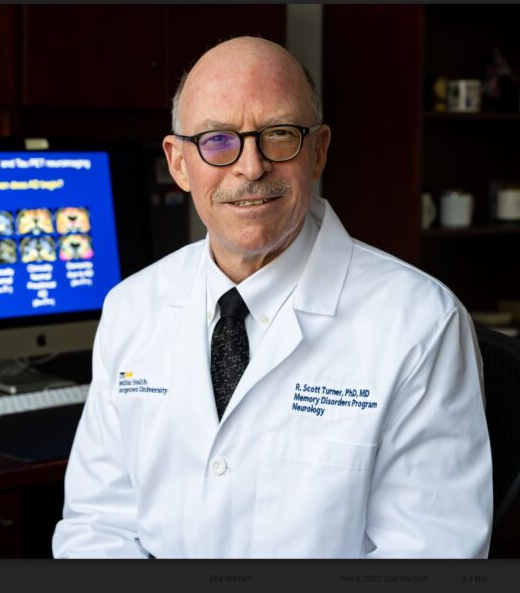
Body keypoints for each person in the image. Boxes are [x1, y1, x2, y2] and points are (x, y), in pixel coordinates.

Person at [52, 37, 492, 558]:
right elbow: (97, 525)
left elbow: (431, 552)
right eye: (217, 140)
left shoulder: (420, 322)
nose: (251, 166)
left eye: (279, 134)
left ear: (318, 151)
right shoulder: (131, 306)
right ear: (178, 162)